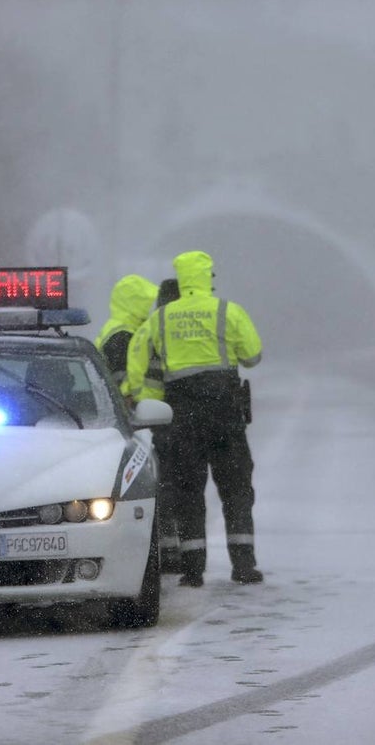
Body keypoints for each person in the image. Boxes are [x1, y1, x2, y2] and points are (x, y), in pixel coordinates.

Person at [129, 251, 263, 587]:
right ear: (207, 278)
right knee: (235, 488)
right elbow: (253, 355)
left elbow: (137, 354)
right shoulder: (227, 312)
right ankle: (243, 566)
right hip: (225, 414)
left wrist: (132, 392)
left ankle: (192, 570)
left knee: (189, 490)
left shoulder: (160, 319)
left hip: (183, 415)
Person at [126, 278, 182, 572]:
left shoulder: (153, 327)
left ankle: (171, 550)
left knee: (168, 484)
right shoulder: (177, 329)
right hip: (177, 416)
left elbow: (140, 375)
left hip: (157, 417)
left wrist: (140, 402)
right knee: (183, 485)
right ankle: (181, 553)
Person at [94, 274, 158, 394]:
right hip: (123, 403)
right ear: (135, 303)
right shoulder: (122, 336)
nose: (149, 309)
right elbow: (121, 379)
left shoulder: (114, 328)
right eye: (146, 303)